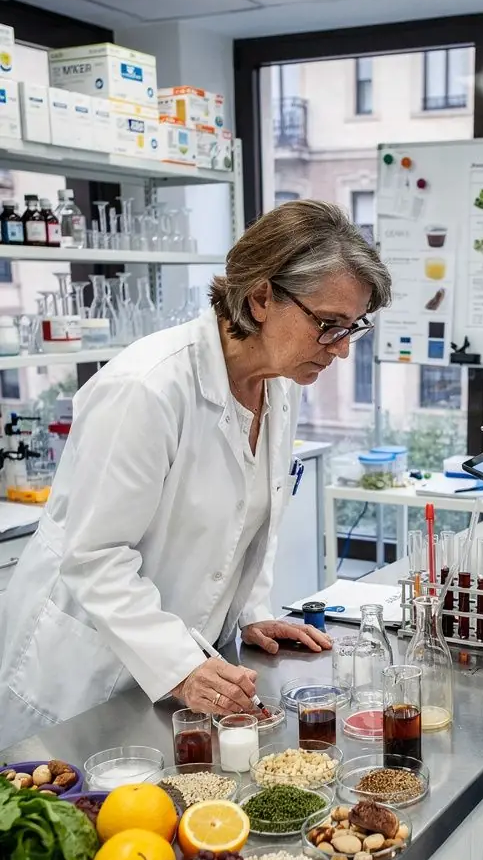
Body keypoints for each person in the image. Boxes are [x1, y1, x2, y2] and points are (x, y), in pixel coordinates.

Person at [0, 199, 391, 745]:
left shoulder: (279, 383)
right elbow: (94, 557)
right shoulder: (146, 389)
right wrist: (181, 667)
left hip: (186, 670)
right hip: (83, 682)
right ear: (261, 299)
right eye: (329, 325)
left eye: (353, 328)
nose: (342, 350)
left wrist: (251, 612)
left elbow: (248, 520)